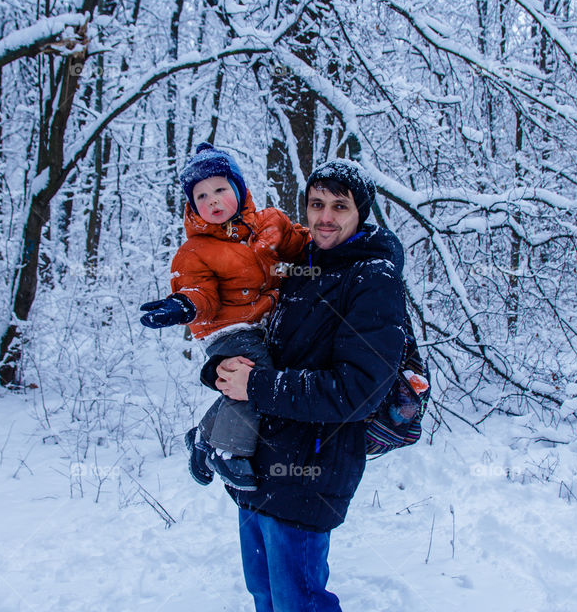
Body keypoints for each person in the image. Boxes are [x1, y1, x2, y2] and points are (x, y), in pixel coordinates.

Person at [206, 158, 407, 611]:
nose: (325, 217)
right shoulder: (296, 267)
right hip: (258, 468)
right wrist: (217, 370)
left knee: (299, 603)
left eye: (340, 206)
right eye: (316, 204)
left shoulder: (372, 278)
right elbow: (257, 341)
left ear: (361, 214)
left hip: (311, 472)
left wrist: (255, 385)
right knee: (266, 596)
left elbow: (357, 390)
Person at [139, 142, 308, 491]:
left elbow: (302, 245)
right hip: (224, 329)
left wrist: (334, 244)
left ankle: (202, 437)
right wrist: (182, 305)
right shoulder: (196, 250)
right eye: (201, 196)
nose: (212, 200)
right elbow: (200, 292)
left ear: (239, 189)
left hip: (264, 322)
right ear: (192, 205)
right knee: (255, 377)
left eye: (219, 189)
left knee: (252, 380)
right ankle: (228, 452)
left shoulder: (272, 224)